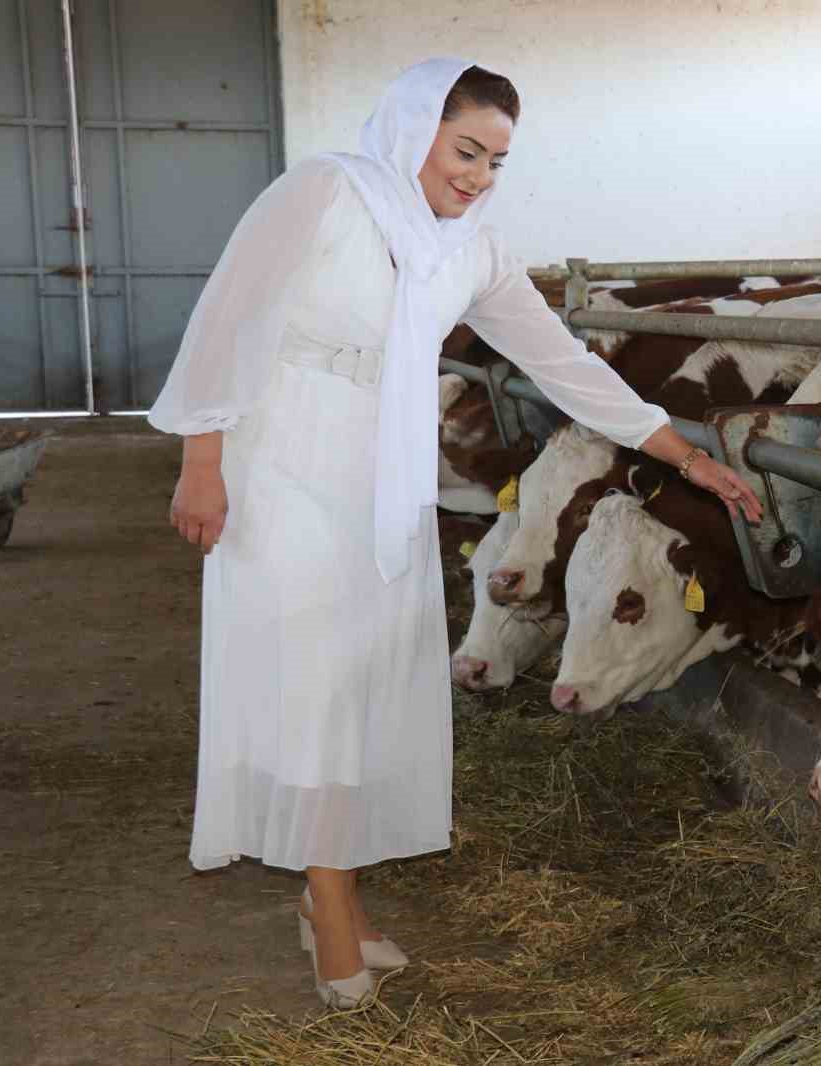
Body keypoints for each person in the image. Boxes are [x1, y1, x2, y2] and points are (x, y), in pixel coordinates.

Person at [149, 57, 762, 1008]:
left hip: (386, 476)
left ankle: (331, 899)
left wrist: (685, 456)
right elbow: (227, 319)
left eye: (496, 161)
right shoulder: (325, 191)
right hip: (282, 463)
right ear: (413, 129)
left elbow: (562, 363)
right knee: (316, 681)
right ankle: (333, 910)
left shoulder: (470, 247)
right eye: (465, 149)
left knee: (361, 677)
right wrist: (201, 461)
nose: (476, 175)